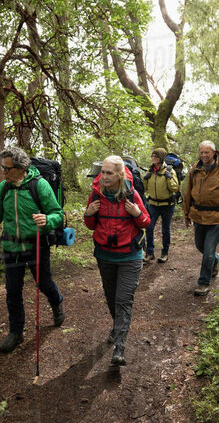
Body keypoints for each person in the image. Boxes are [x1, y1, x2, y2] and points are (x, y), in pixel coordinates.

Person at [0, 147, 65, 354]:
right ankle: (16, 332)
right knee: (13, 290)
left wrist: (48, 220)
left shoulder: (40, 186)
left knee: (44, 283)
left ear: (21, 168)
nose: (3, 172)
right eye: (2, 168)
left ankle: (57, 302)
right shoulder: (4, 187)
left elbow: (58, 213)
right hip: (11, 247)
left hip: (36, 246)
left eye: (7, 168)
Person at [84, 156, 150, 366]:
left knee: (123, 300)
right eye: (103, 172)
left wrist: (137, 212)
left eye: (109, 173)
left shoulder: (132, 194)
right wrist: (88, 213)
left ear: (120, 174)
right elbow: (91, 225)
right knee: (111, 298)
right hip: (105, 255)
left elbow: (146, 221)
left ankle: (119, 347)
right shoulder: (96, 194)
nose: (104, 177)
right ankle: (117, 326)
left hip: (130, 256)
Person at [183, 141, 219, 296]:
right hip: (198, 215)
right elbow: (189, 192)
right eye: (201, 152)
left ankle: (203, 283)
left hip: (216, 217)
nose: (204, 156)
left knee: (207, 251)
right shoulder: (195, 169)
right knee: (200, 245)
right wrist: (187, 213)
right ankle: (216, 258)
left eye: (206, 152)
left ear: (214, 152)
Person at [142, 148, 179, 263]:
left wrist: (168, 178)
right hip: (152, 204)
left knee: (165, 230)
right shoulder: (150, 171)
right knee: (149, 228)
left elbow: (174, 188)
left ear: (161, 158)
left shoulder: (169, 170)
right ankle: (150, 253)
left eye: (156, 156)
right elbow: (144, 188)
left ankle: (164, 253)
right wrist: (144, 179)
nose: (153, 158)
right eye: (152, 156)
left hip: (167, 205)